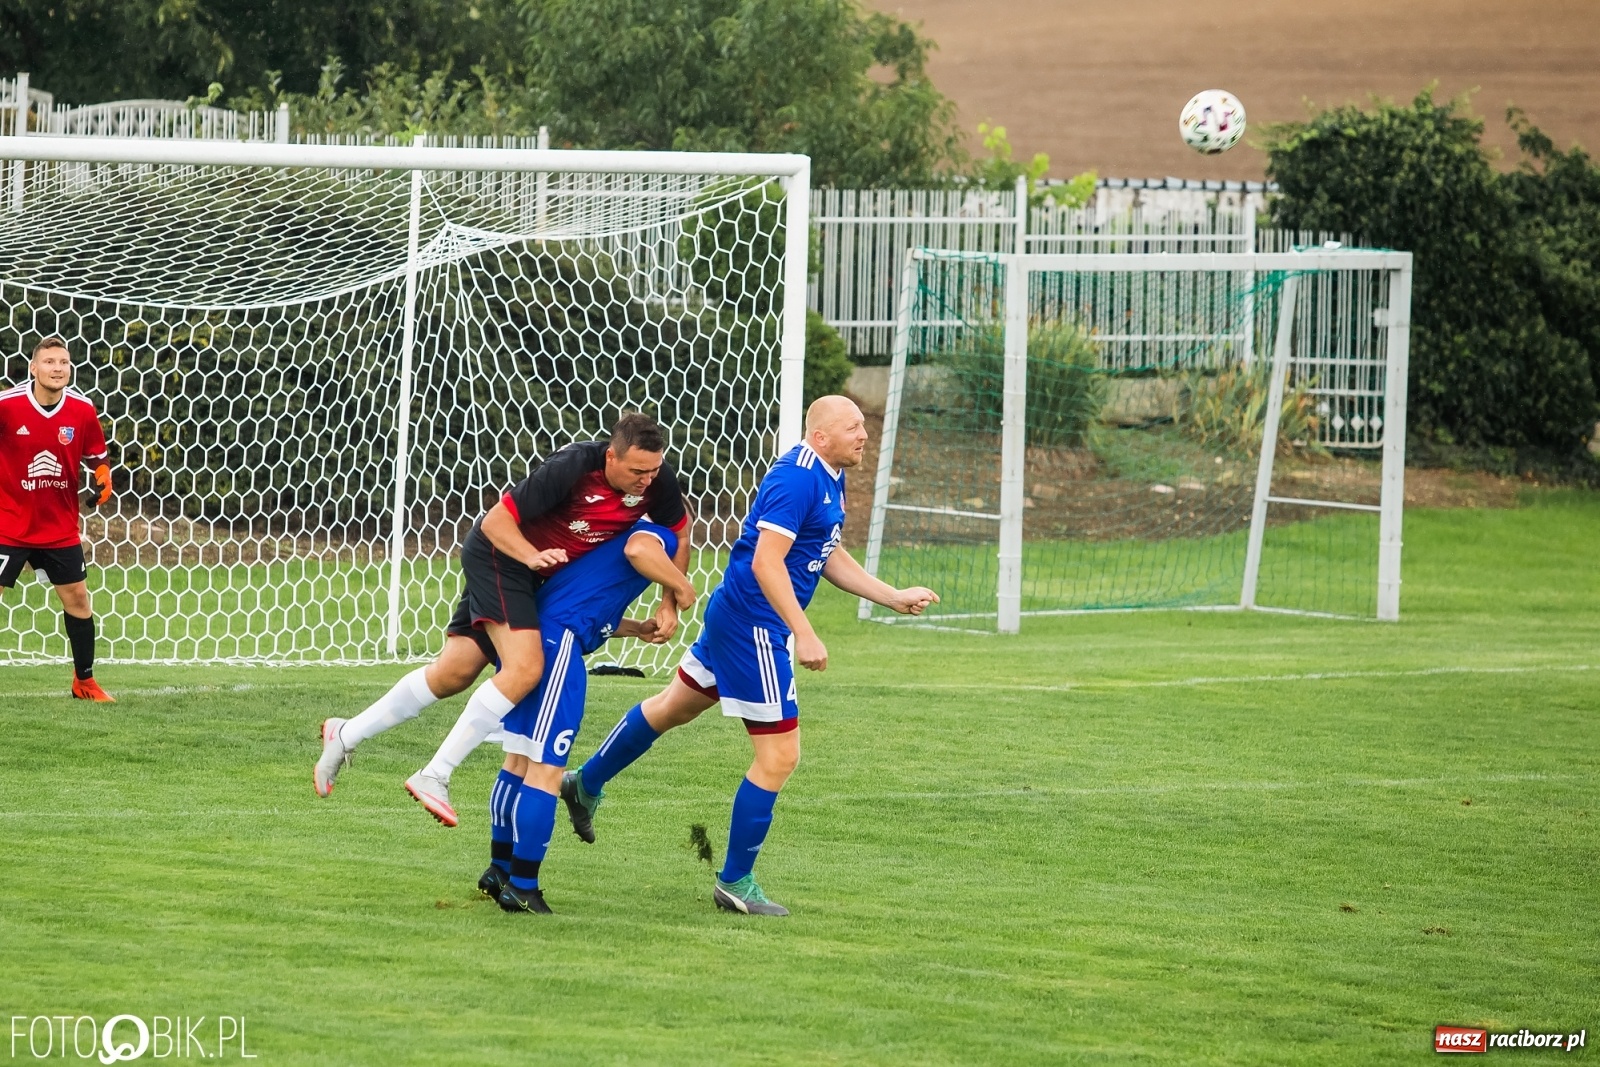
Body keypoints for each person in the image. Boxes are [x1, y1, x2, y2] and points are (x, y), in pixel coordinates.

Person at [561, 395, 939, 916]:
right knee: (780, 756)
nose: (864, 434)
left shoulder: (829, 473)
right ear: (821, 435)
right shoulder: (798, 478)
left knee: (673, 707)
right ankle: (735, 881)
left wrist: (889, 594)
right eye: (853, 427)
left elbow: (823, 550)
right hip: (754, 626)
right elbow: (767, 562)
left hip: (738, 615)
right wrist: (803, 632)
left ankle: (585, 783)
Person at [313, 413, 690, 825]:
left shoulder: (658, 481)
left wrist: (668, 602)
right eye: (638, 471)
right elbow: (495, 521)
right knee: (526, 668)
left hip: (536, 570)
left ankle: (345, 733)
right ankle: (434, 774)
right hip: (502, 556)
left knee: (454, 672)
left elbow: (681, 535)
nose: (646, 480)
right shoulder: (571, 468)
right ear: (611, 457)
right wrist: (531, 557)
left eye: (653, 470)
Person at [479, 519, 695, 915]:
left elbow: (586, 601)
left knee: (519, 760)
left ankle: (500, 869)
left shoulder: (608, 535)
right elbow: (640, 550)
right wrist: (681, 587)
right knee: (546, 768)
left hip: (531, 639)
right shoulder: (655, 533)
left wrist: (635, 628)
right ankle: (523, 886)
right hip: (558, 647)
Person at [0, 337, 115, 702]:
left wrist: (102, 476)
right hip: (9, 523)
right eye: (49, 362)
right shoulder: (7, 405)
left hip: (60, 527)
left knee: (79, 600)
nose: (57, 368)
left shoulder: (82, 409)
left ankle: (84, 681)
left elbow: (98, 456)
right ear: (33, 368)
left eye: (63, 362)